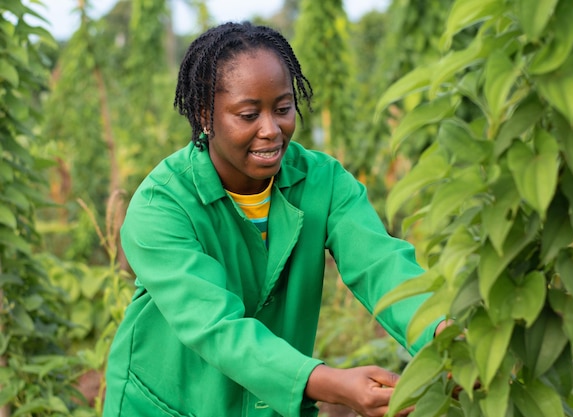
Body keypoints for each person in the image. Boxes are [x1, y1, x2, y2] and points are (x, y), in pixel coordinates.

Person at [103, 21, 447, 417]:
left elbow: (380, 265)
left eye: (283, 109)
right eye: (248, 114)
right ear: (204, 115)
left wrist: (443, 332)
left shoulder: (324, 181)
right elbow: (215, 326)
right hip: (169, 404)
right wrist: (329, 383)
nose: (272, 130)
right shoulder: (162, 205)